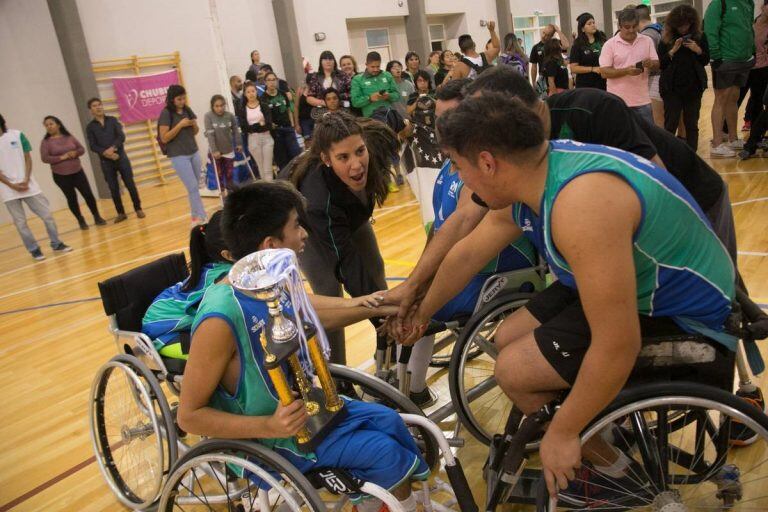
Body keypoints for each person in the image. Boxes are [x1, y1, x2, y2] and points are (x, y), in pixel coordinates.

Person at [412, 92, 735, 501]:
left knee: (513, 371)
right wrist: (421, 310)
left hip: (687, 315)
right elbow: (468, 254)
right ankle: (598, 420)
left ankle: (618, 471)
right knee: (507, 336)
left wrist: (564, 431)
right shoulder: (543, 168)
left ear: (488, 163)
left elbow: (619, 344)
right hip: (647, 289)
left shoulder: (580, 204)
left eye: (460, 169)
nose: (464, 183)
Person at [385, 66, 768, 349]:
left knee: (726, 301)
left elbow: (659, 181)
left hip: (692, 193)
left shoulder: (591, 110)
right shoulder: (513, 159)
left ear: (525, 112)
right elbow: (465, 222)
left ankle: (743, 386)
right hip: (616, 217)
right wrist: (415, 291)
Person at [177, 182, 428, 512]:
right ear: (271, 244)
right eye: (296, 225)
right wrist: (269, 426)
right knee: (383, 452)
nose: (304, 234)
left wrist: (379, 304)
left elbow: (308, 309)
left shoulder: (265, 281)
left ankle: (388, 502)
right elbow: (189, 416)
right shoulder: (219, 318)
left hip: (310, 412)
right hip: (269, 437)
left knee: (391, 422)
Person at [397, 79, 537, 407]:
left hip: (496, 268)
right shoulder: (450, 167)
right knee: (410, 294)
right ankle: (410, 387)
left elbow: (467, 240)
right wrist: (418, 277)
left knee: (419, 304)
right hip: (469, 261)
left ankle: (410, 390)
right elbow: (440, 229)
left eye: (455, 117)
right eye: (440, 121)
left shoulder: (487, 173)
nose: (447, 129)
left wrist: (422, 293)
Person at [142, 199, 392, 362]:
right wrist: (363, 304)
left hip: (184, 318)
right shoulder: (227, 280)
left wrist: (362, 303)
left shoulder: (243, 270)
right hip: (167, 332)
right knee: (236, 355)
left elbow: (297, 302)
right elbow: (298, 306)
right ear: (229, 255)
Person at [290, 112, 396, 365]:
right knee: (330, 293)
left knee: (376, 271)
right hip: (310, 228)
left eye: (360, 151)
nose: (357, 164)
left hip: (348, 216)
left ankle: (390, 349)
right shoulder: (318, 199)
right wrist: (382, 316)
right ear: (326, 159)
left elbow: (394, 130)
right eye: (343, 158)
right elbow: (346, 264)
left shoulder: (372, 147)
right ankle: (337, 377)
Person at [0, 113, 71, 260]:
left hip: (29, 185)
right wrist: (12, 185)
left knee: (48, 216)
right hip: (9, 190)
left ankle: (56, 243)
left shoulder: (17, 135)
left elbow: (27, 157)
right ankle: (34, 249)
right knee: (20, 224)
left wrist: (26, 179)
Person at [704, 0, 756, 158]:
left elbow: (749, 28)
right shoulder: (719, 3)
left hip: (744, 58)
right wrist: (715, 55)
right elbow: (710, 29)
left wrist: (752, 50)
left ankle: (733, 138)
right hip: (725, 59)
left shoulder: (749, 3)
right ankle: (717, 144)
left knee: (734, 97)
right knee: (721, 98)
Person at [40, 115, 106, 230]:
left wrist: (75, 153)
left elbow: (81, 149)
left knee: (88, 194)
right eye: (46, 125)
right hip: (61, 176)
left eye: (51, 124)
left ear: (58, 125)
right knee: (71, 198)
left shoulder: (69, 137)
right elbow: (45, 158)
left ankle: (97, 216)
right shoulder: (46, 142)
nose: (49, 127)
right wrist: (61, 158)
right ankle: (80, 220)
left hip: (77, 171)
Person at [658, 5, 710, 150]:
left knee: (692, 123)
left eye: (686, 25)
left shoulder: (700, 36)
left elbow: (705, 60)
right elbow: (661, 64)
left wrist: (697, 50)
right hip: (671, 88)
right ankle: (667, 155)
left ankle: (692, 155)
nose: (683, 29)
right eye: (680, 26)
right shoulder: (666, 39)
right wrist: (673, 50)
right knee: (671, 123)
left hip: (693, 87)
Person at [86, 98, 144, 222]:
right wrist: (106, 153)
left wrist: (113, 148)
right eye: (94, 106)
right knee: (113, 188)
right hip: (106, 161)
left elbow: (121, 136)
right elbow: (92, 145)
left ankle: (138, 208)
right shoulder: (90, 127)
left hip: (121, 157)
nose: (98, 107)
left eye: (99, 105)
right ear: (90, 110)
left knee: (130, 184)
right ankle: (121, 213)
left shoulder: (112, 120)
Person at [599, 8, 660, 124]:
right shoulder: (609, 45)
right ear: (619, 27)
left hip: (643, 100)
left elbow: (657, 64)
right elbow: (604, 72)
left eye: (634, 26)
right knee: (620, 138)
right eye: (627, 27)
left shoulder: (647, 41)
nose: (631, 30)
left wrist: (651, 64)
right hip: (617, 102)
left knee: (647, 137)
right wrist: (626, 71)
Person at [159, 84, 207, 225]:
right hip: (178, 155)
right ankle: (201, 216)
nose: (182, 101)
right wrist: (179, 125)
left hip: (193, 151)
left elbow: (195, 131)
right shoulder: (166, 113)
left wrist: (193, 124)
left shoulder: (187, 109)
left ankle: (195, 216)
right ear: (172, 99)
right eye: (179, 99)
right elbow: (164, 137)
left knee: (195, 187)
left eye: (183, 98)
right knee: (191, 186)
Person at [262, 72, 301, 172]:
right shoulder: (263, 99)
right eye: (269, 80)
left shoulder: (283, 94)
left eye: (273, 79)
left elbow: (289, 110)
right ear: (265, 82)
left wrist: (293, 125)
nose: (272, 82)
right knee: (282, 159)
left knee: (296, 154)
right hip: (275, 132)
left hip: (288, 129)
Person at [204, 94, 242, 195]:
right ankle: (223, 197)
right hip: (216, 151)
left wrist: (239, 143)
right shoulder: (208, 116)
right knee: (219, 175)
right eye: (217, 106)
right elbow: (210, 135)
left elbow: (235, 131)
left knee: (229, 175)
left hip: (228, 149)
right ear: (212, 106)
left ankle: (230, 196)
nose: (220, 108)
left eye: (222, 105)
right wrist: (214, 150)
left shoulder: (229, 116)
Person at [238, 81, 274, 181]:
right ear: (245, 94)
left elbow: (268, 125)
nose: (251, 94)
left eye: (253, 91)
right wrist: (259, 124)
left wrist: (253, 127)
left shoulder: (264, 105)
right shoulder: (242, 109)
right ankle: (265, 191)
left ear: (256, 92)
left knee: (268, 168)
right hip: (253, 140)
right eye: (248, 92)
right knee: (261, 168)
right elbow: (245, 128)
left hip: (267, 138)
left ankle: (271, 190)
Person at [637, 4, 665, 126]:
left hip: (654, 79)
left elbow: (647, 62)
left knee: (657, 119)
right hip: (663, 78)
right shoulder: (660, 30)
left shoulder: (646, 36)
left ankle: (660, 145)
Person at [351, 51, 400, 118]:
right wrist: (369, 99)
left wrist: (388, 96)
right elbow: (355, 102)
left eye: (378, 66)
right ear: (366, 64)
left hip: (389, 117)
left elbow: (397, 95)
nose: (376, 69)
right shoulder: (357, 80)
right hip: (371, 121)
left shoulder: (387, 75)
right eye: (372, 67)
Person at [744, 1, 768, 133]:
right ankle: (725, 131)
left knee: (758, 99)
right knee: (738, 98)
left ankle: (756, 132)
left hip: (763, 67)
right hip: (747, 64)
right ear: (763, 7)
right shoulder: (751, 22)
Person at [569, 13, 607, 90]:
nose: (593, 25)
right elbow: (573, 68)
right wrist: (592, 69)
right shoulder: (578, 44)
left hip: (603, 83)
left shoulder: (602, 40)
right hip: (585, 85)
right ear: (582, 29)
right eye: (589, 24)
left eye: (593, 22)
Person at [529, 24, 571, 89]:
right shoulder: (536, 47)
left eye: (547, 35)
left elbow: (566, 45)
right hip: (544, 77)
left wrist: (558, 30)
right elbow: (534, 67)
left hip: (559, 76)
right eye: (543, 33)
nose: (543, 36)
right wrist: (533, 83)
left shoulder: (555, 45)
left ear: (551, 36)